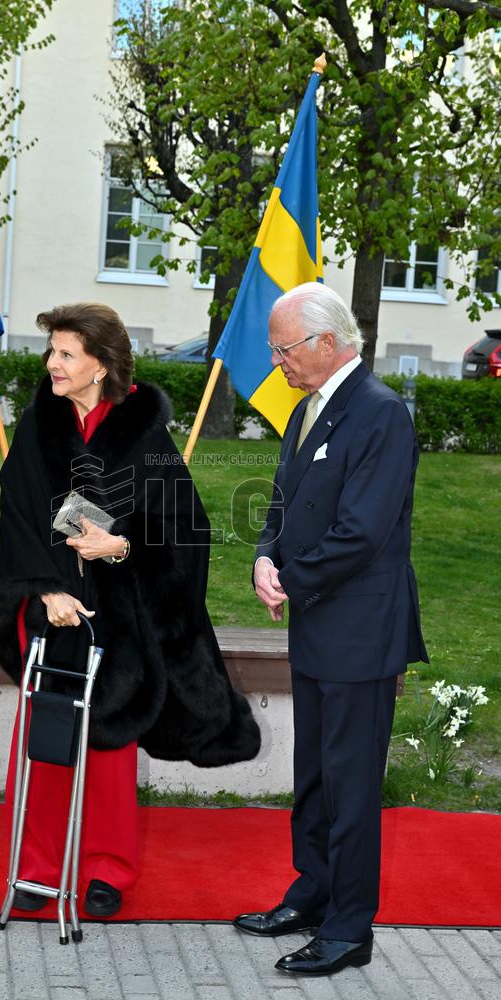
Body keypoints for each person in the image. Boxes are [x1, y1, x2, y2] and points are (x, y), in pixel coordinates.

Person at [0, 301, 260, 919]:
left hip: (118, 615)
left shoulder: (144, 436)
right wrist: (44, 591)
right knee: (44, 743)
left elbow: (187, 528)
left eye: (66, 354)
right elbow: (16, 516)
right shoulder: (36, 427)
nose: (52, 363)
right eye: (53, 352)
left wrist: (120, 544)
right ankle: (35, 872)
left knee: (110, 749)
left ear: (100, 366)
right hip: (51, 611)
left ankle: (107, 872)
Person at [233, 282, 428, 976]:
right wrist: (263, 555)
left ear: (325, 342)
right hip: (316, 625)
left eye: (283, 349)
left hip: (359, 633)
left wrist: (293, 577)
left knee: (349, 787)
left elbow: (363, 532)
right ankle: (312, 892)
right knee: (313, 776)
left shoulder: (380, 414)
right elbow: (283, 501)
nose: (278, 362)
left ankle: (348, 930)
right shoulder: (307, 409)